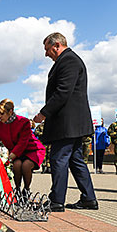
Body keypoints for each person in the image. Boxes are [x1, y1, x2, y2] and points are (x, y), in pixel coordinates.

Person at [33, 32, 98, 212]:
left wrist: (43, 114)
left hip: (68, 123)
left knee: (58, 159)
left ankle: (56, 201)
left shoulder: (69, 61)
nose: (46, 54)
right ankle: (89, 198)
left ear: (57, 45)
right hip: (73, 123)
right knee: (76, 160)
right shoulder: (67, 60)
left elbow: (63, 92)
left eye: (47, 49)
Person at [0, 99, 45, 195]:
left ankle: (26, 190)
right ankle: (17, 190)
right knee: (17, 165)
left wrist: (10, 157)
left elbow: (23, 142)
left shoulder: (23, 122)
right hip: (17, 153)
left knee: (26, 166)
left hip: (32, 150)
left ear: (10, 112)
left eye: (2, 114)